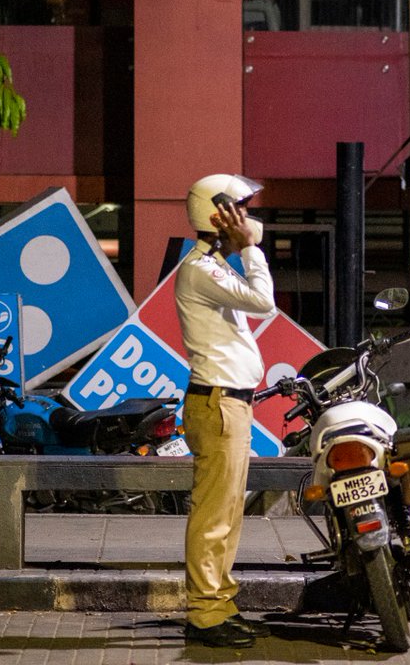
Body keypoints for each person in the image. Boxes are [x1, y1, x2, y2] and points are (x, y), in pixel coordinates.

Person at [174, 173, 277, 649]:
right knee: (215, 515)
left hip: (229, 403)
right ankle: (203, 612)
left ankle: (219, 603)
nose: (251, 217)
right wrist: (250, 249)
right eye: (242, 208)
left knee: (229, 514)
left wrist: (239, 250)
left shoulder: (215, 265)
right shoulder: (201, 268)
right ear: (220, 215)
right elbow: (263, 302)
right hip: (217, 404)